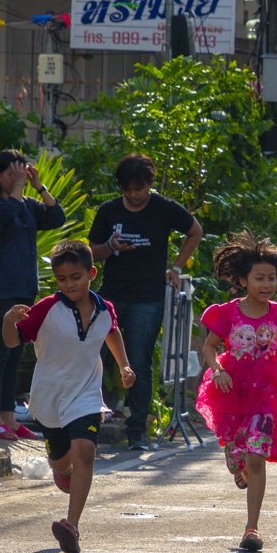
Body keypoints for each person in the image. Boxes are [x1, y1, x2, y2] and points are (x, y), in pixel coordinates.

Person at [3, 240, 134, 553]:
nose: (69, 284)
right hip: (49, 399)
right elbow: (12, 342)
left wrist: (124, 364)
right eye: (62, 279)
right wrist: (8, 320)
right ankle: (62, 469)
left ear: (91, 273)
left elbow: (111, 330)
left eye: (76, 277)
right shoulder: (46, 309)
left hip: (86, 394)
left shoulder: (105, 308)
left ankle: (71, 526)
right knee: (63, 462)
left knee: (85, 451)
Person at [196, 231, 277, 553]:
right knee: (237, 456)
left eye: (271, 278)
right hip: (232, 387)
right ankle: (238, 467)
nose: (267, 284)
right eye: (259, 278)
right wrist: (217, 370)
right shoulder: (227, 313)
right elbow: (209, 347)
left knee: (256, 456)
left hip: (267, 390)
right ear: (243, 280)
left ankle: (252, 527)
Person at [88, 154, 204, 451]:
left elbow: (195, 231)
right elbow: (91, 252)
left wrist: (176, 267)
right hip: (111, 295)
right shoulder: (109, 210)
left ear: (149, 185)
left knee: (138, 361)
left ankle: (136, 430)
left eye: (139, 189)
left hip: (147, 298)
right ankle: (89, 419)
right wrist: (110, 247)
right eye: (128, 190)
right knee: (92, 355)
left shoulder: (163, 208)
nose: (133, 196)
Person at [0, 149, 66, 441]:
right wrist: (16, 189)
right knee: (0, 353)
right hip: (0, 288)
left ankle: (10, 418)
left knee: (16, 354)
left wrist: (39, 186)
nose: (18, 181)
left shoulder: (25, 204)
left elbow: (56, 217)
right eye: (11, 174)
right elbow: (3, 217)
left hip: (24, 288)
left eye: (21, 174)